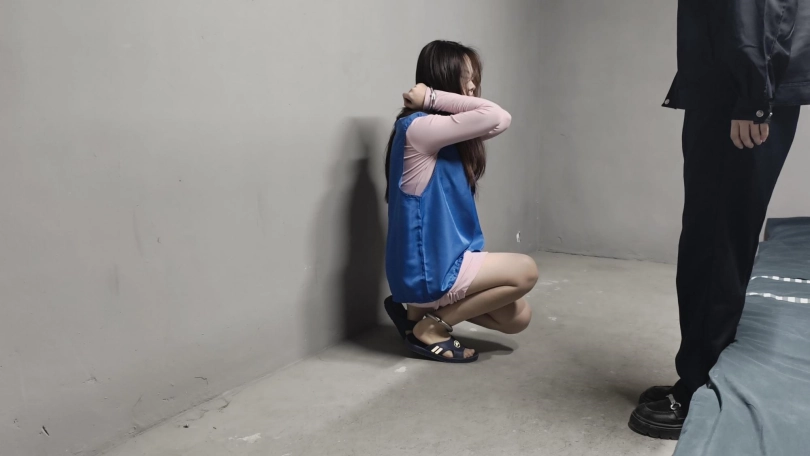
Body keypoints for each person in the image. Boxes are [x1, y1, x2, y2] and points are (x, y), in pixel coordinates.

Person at [629, 0, 810, 440]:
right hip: (735, 88)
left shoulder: (747, 91)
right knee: (715, 237)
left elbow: (760, 7)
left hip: (739, 93)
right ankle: (696, 374)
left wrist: (752, 97)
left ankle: (698, 390)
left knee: (715, 243)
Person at [382, 40, 537, 363]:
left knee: (518, 318)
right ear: (442, 78)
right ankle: (431, 327)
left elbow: (498, 120)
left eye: (475, 78)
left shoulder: (447, 132)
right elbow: (496, 115)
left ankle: (418, 318)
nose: (472, 86)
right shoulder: (419, 129)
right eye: (465, 78)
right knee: (525, 271)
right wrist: (431, 97)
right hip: (429, 269)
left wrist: (436, 98)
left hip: (447, 259)